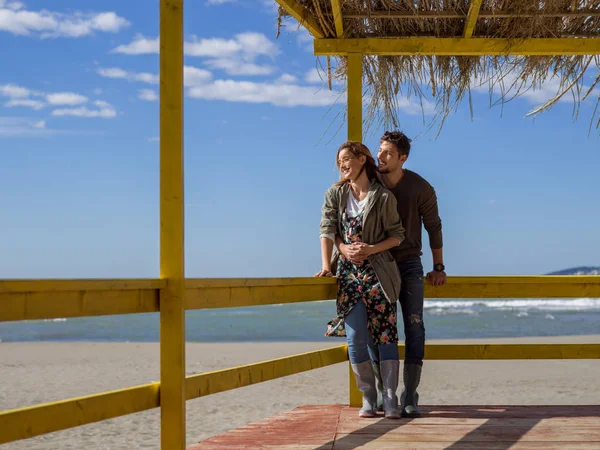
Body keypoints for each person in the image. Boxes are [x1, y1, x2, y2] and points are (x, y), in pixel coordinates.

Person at [337, 131, 446, 418]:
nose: (381, 156)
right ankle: (381, 395)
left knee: (414, 325)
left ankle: (409, 393)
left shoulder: (421, 187)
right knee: (377, 329)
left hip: (408, 263)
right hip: (375, 265)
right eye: (380, 151)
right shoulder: (371, 183)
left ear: (403, 157)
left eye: (387, 152)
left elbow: (434, 226)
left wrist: (438, 267)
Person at [316, 140, 406, 419]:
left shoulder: (383, 197)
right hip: (348, 275)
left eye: (346, 159)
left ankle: (390, 399)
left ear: (362, 159)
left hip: (378, 273)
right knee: (355, 338)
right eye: (339, 161)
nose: (341, 165)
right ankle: (369, 397)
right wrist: (330, 261)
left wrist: (370, 249)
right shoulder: (336, 194)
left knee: (386, 336)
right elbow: (327, 228)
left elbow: (397, 235)